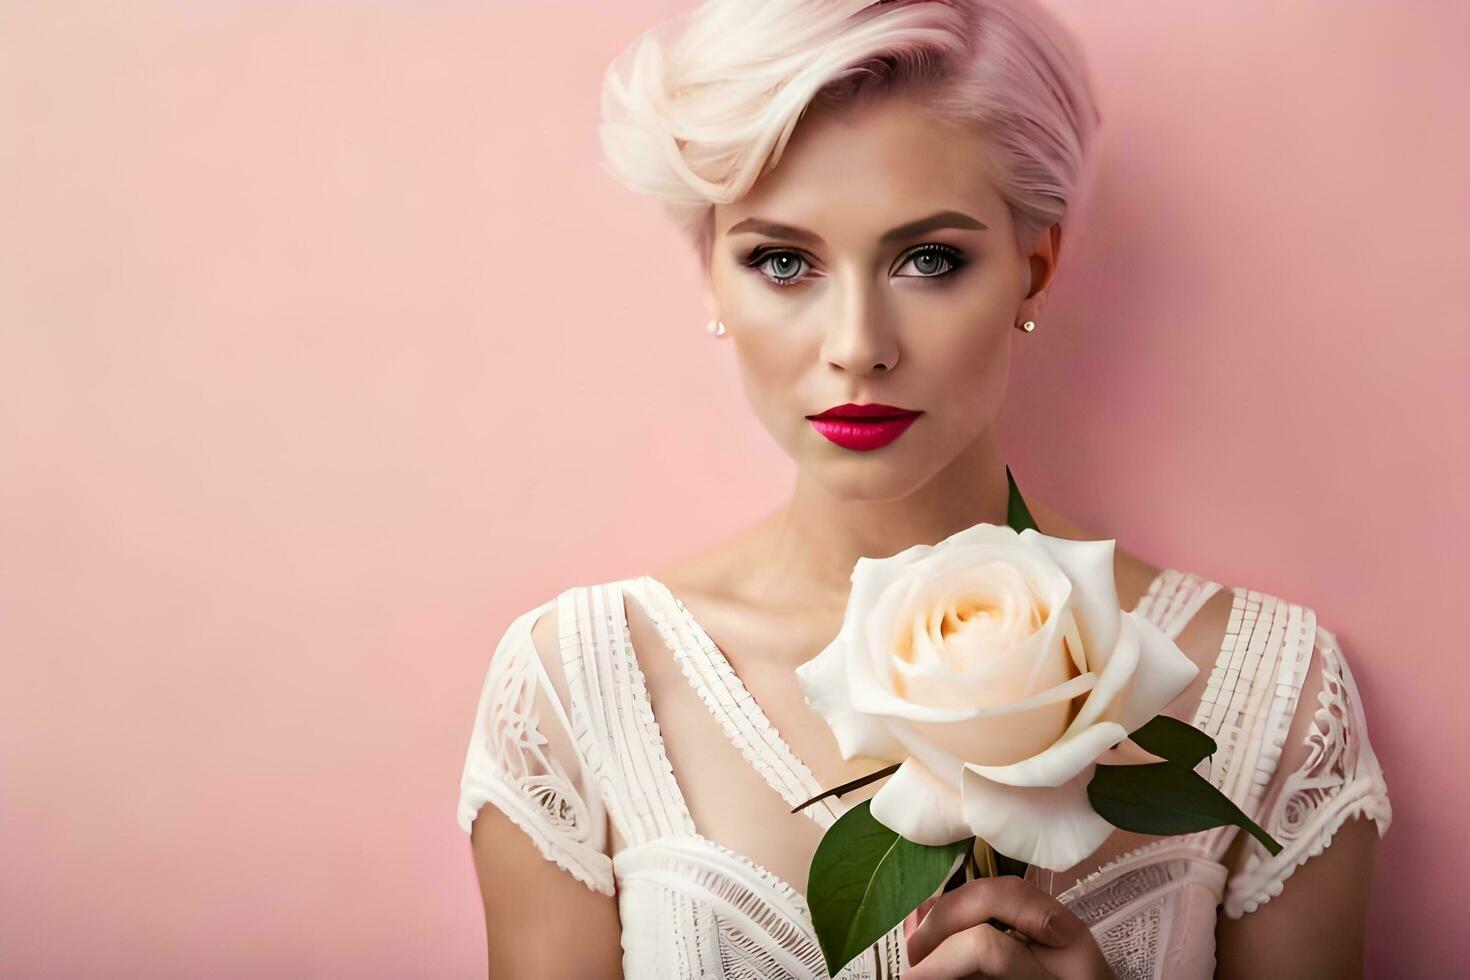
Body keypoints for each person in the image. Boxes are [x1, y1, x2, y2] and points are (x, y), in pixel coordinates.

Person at [456, 0, 1393, 976]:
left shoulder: (1267, 690)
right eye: (782, 261)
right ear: (710, 279)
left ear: (1034, 270)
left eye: (929, 259)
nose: (858, 344)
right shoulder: (581, 688)